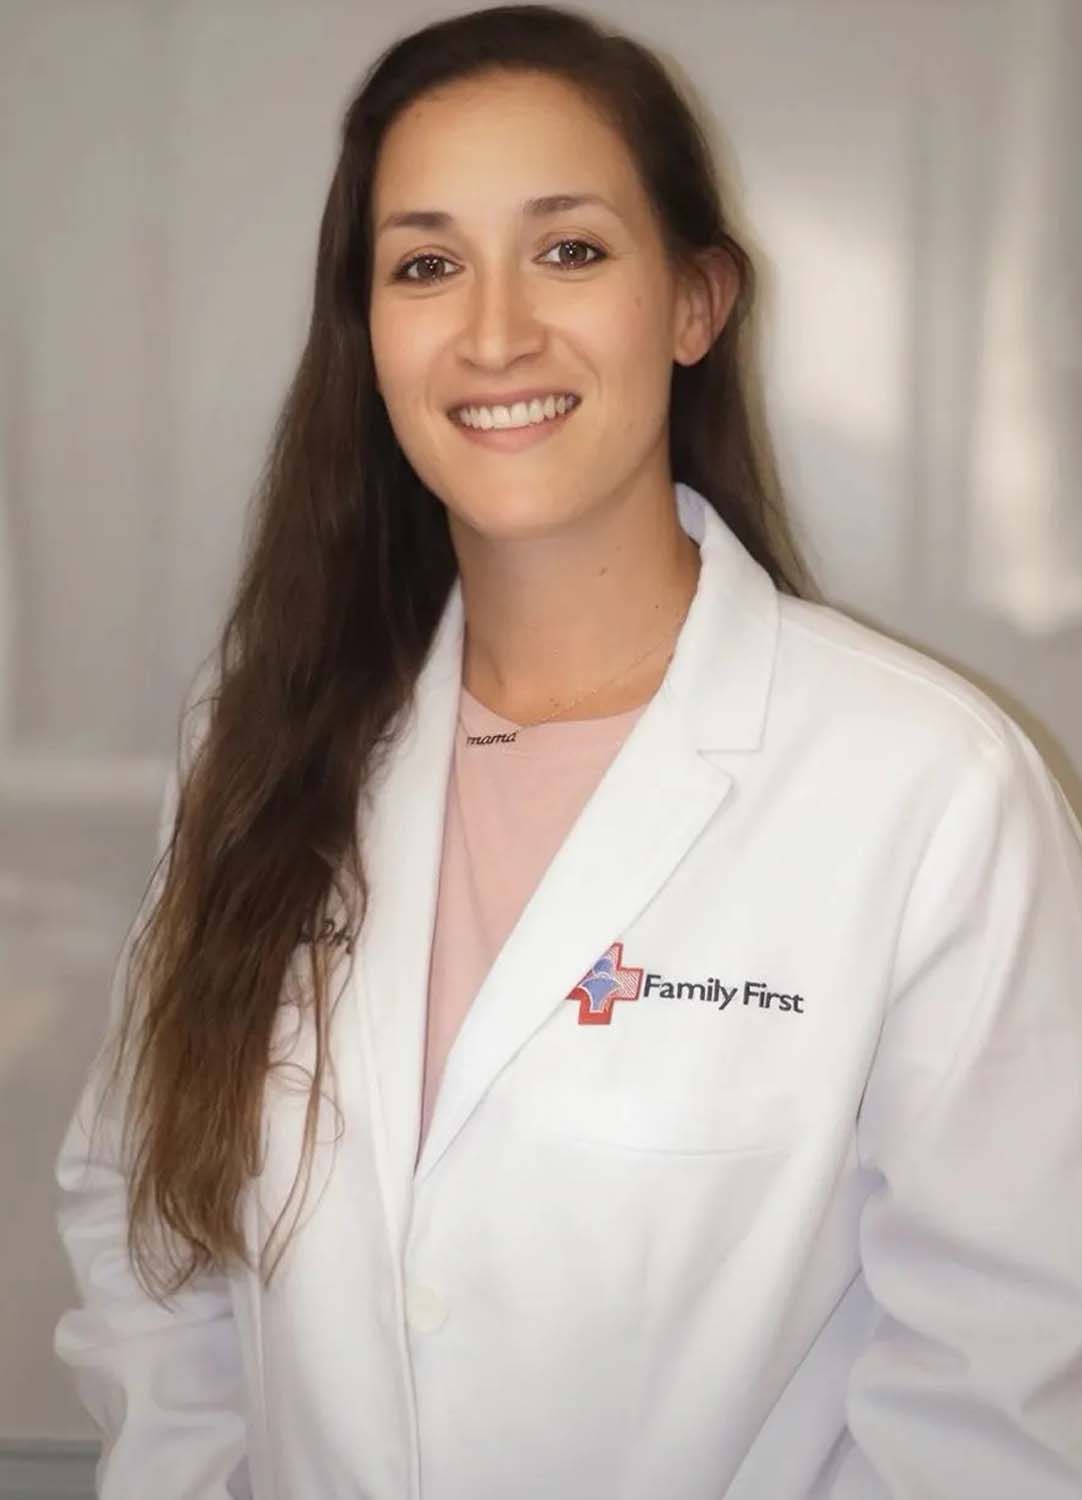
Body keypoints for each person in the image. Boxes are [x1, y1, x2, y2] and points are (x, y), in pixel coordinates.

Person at [53, 5, 1082, 1498]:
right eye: (424, 265)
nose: (492, 333)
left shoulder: (926, 791)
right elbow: (155, 1245)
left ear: (694, 302)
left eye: (570, 250)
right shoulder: (255, 745)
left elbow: (1000, 1390)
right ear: (371, 334)